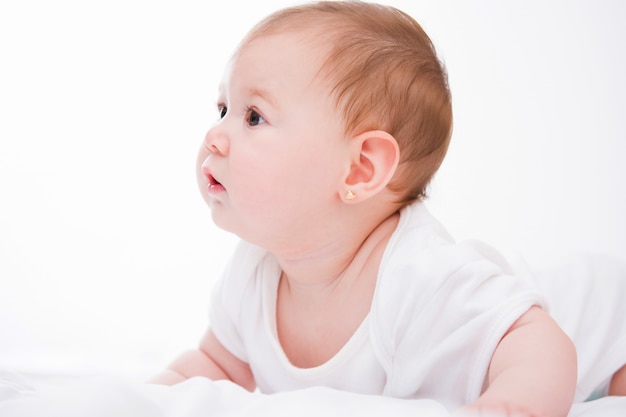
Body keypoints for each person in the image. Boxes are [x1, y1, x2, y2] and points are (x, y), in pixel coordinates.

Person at [149, 1, 626, 416]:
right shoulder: (252, 275)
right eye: (222, 110)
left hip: (607, 325)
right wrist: (148, 397)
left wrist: (511, 405)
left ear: (359, 169)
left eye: (254, 116)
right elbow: (215, 366)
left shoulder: (421, 276)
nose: (215, 134)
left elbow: (544, 346)